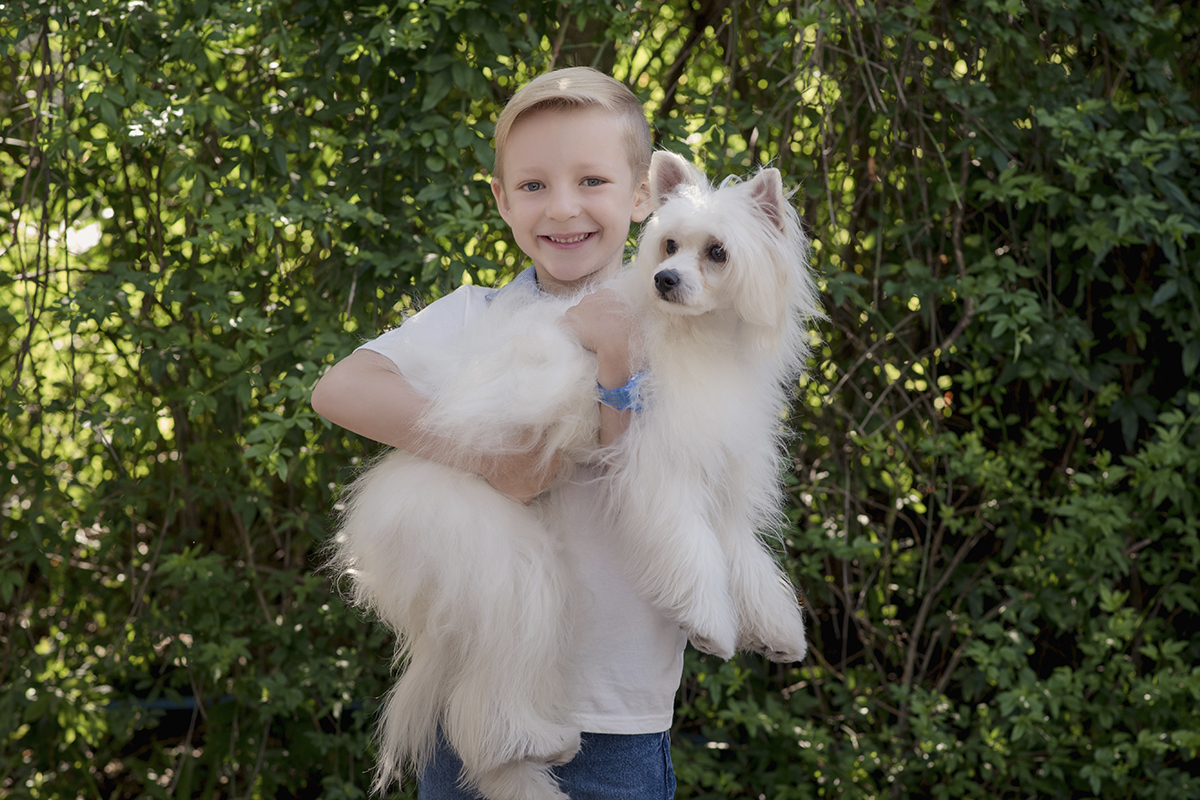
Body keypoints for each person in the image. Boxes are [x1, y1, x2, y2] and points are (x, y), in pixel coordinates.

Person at [310, 67, 686, 800]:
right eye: (535, 185)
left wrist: (613, 354)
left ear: (643, 195)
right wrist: (495, 457)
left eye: (593, 181)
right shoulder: (474, 315)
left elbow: (639, 479)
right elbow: (339, 389)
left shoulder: (680, 320)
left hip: (617, 718)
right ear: (502, 200)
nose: (564, 208)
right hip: (472, 725)